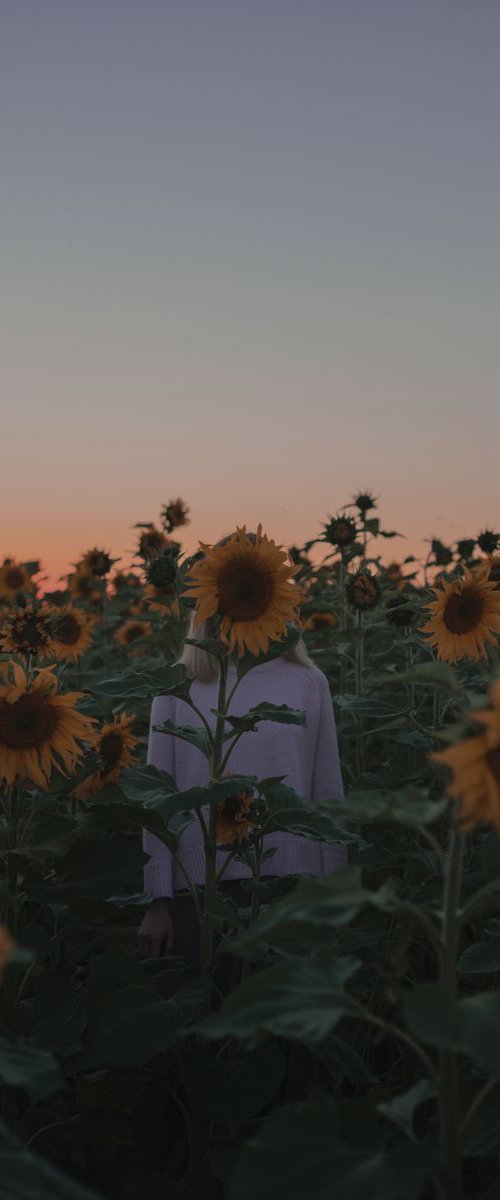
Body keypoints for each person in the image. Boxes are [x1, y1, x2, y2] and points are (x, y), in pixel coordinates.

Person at [138, 534, 347, 966]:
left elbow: (327, 797)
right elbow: (158, 802)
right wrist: (156, 900)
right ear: (208, 599)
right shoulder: (178, 690)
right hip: (199, 891)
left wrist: (336, 893)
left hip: (293, 885)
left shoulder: (307, 684)